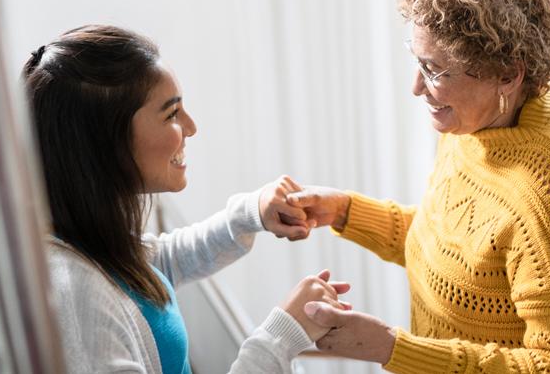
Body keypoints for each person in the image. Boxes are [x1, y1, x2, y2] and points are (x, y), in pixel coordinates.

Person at [282, 0, 550, 372]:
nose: (417, 87)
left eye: (435, 71)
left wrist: (390, 348)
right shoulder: (480, 121)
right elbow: (463, 249)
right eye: (418, 62)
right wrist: (346, 211)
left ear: (507, 73)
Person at [23, 25, 348, 373]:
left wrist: (252, 212)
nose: (191, 127)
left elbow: (164, 261)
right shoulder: (78, 296)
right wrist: (281, 337)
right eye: (171, 114)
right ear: (105, 143)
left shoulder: (92, 244)